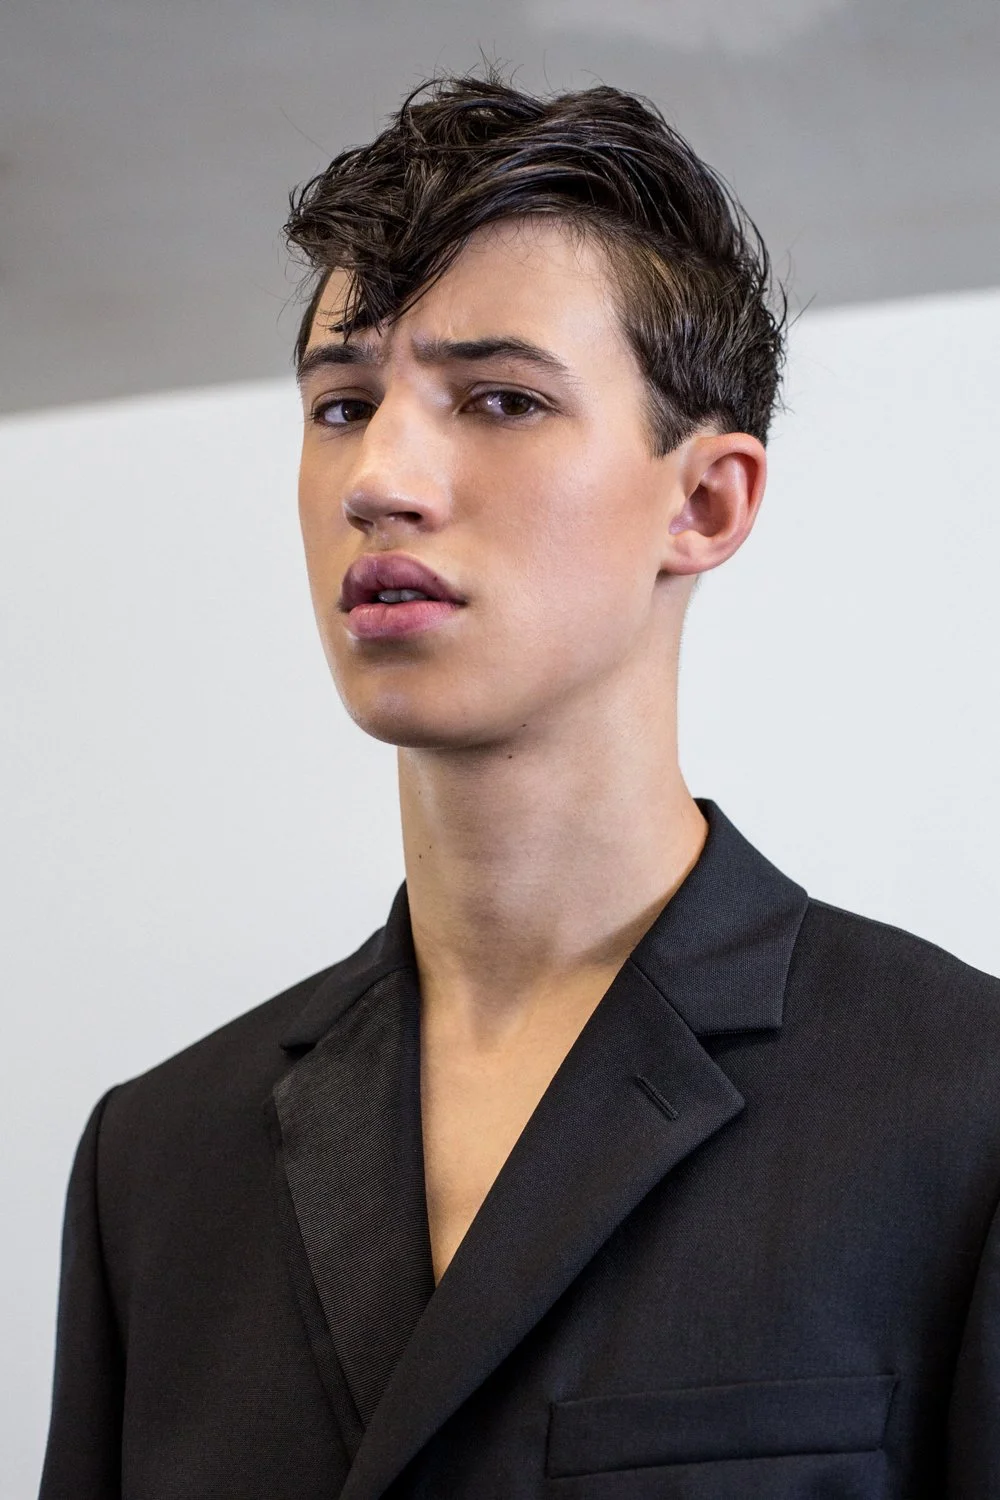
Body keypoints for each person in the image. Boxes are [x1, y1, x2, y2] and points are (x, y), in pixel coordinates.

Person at [39, 69, 1000, 1500]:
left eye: (498, 398)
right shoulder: (156, 1164)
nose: (384, 475)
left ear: (706, 501)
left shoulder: (959, 1108)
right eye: (343, 403)